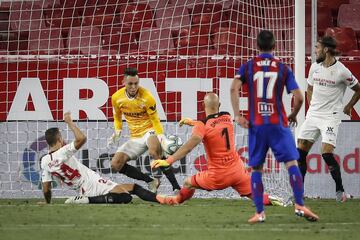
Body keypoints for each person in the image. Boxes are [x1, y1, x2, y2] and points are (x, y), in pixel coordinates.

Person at [230, 30, 319, 223]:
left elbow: (233, 87)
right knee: (292, 164)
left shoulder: (248, 66)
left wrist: (237, 115)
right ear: (275, 46)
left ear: (257, 45)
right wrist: (293, 115)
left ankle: (260, 213)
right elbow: (299, 97)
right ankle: (299, 205)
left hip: (257, 126)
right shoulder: (282, 67)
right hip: (278, 124)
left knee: (256, 170)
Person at [150, 93, 281, 207]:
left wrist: (169, 160)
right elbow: (213, 123)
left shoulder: (202, 125)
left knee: (188, 183)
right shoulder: (227, 118)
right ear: (220, 105)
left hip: (218, 176)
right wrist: (194, 122)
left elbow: (192, 142)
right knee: (257, 197)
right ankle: (273, 200)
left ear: (202, 105)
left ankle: (176, 200)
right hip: (238, 171)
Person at [40, 112, 168, 205]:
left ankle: (162, 199)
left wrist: (47, 203)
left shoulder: (45, 161)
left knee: (132, 187)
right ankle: (87, 200)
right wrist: (70, 122)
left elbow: (46, 188)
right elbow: (81, 139)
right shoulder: (64, 151)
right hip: (91, 183)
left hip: (84, 187)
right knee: (126, 196)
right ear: (59, 139)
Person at [297, 36, 360, 202]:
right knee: (300, 151)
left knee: (325, 152)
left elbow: (358, 89)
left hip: (330, 117)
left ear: (326, 49)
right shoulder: (314, 68)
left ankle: (340, 191)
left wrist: (348, 106)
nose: (315, 50)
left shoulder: (342, 71)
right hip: (313, 115)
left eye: (317, 47)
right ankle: (299, 194)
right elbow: (309, 88)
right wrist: (312, 106)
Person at [108, 67, 181, 193]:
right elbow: (117, 117)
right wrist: (117, 131)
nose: (133, 87)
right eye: (130, 83)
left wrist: (161, 136)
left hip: (149, 131)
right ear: (123, 82)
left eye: (136, 83)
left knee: (154, 152)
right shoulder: (116, 97)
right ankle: (150, 181)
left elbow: (155, 119)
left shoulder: (147, 97)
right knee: (116, 164)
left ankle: (176, 187)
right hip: (135, 137)